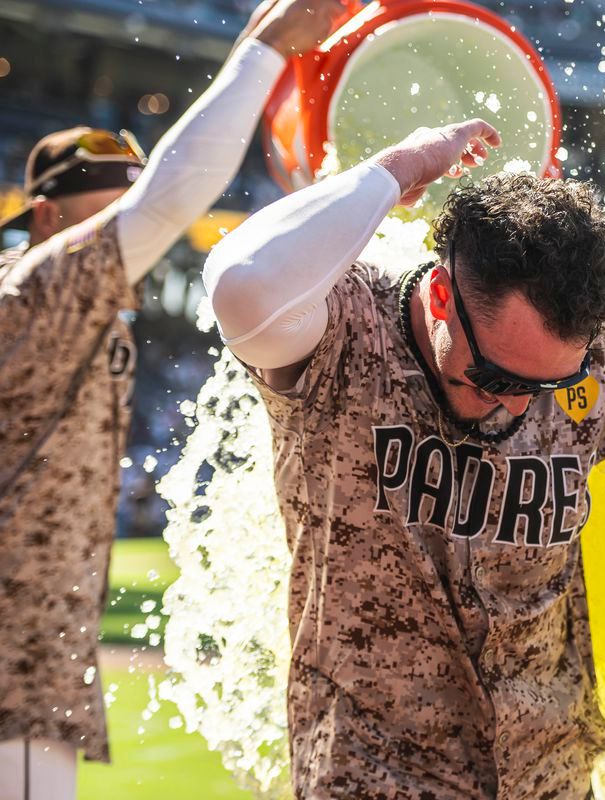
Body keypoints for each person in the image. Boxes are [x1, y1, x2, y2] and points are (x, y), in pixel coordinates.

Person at [202, 120, 605, 798]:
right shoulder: (343, 329)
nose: (517, 408)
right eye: (501, 379)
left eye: (552, 386)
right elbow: (241, 284)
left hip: (549, 773)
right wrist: (397, 166)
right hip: (374, 772)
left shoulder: (596, 341)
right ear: (443, 297)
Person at [0, 2, 344, 796]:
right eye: (102, 218)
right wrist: (260, 52)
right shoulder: (29, 296)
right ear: (47, 218)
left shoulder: (78, 312)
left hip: (37, 666)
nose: (131, 236)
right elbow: (168, 201)